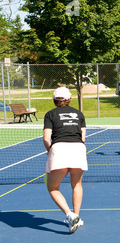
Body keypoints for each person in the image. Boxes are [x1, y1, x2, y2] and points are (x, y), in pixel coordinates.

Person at [43, 87, 87, 233]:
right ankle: (77, 217)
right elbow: (82, 137)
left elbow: (46, 138)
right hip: (78, 148)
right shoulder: (79, 114)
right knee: (77, 184)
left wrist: (51, 152)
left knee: (53, 188)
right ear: (69, 98)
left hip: (59, 149)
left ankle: (70, 215)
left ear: (55, 100)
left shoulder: (50, 114)